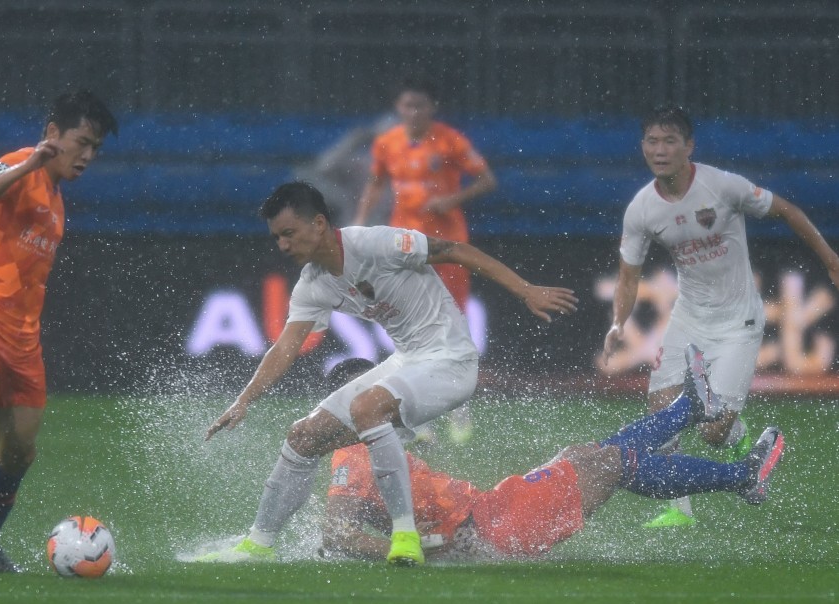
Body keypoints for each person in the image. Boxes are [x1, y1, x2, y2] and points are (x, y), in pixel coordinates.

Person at [199, 181, 577, 566]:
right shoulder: (312, 286)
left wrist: (525, 290)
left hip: (452, 360)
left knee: (368, 407)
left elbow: (454, 250)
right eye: (277, 237)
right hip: (408, 360)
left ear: (318, 223)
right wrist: (244, 400)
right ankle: (258, 544)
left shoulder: (375, 243)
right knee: (303, 436)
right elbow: (285, 347)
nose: (282, 245)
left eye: (289, 233)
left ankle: (405, 536)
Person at [602, 105, 839, 528]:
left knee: (712, 432)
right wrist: (618, 323)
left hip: (738, 324)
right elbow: (628, 277)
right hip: (688, 318)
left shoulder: (723, 186)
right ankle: (679, 511)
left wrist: (830, 259)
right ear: (642, 147)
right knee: (662, 414)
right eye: (652, 141)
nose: (660, 150)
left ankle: (744, 439)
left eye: (670, 141)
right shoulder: (641, 209)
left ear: (689, 146)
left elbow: (787, 210)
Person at [321, 348, 785, 562]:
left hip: (489, 511)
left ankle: (688, 410)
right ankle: (740, 475)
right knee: (611, 464)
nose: (395, 399)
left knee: (582, 454)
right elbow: (336, 533)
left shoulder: (367, 448)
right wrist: (413, 550)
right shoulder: (354, 458)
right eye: (382, 392)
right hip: (485, 533)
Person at [0, 91, 118, 572]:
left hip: (23, 338)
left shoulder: (56, 201)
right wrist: (29, 162)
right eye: (82, 142)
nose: (87, 155)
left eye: (95, 148)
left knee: (20, 450)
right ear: (53, 133)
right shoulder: (20, 164)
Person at [353, 77, 497, 442]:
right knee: (407, 320)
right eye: (407, 105)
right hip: (402, 244)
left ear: (432, 107)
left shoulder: (450, 141)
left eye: (420, 105)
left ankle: (459, 406)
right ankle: (418, 417)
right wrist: (359, 224)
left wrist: (451, 200)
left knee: (452, 320)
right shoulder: (387, 143)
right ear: (398, 108)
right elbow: (375, 183)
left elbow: (487, 180)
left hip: (446, 245)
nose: (413, 112)